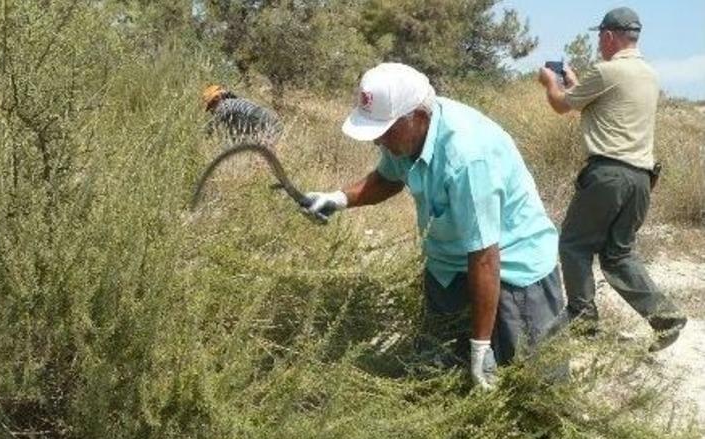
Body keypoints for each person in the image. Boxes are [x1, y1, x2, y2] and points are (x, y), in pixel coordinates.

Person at [306, 63, 564, 389]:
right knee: (435, 378)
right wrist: (338, 199)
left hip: (513, 272)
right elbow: (388, 178)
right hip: (447, 267)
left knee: (534, 386)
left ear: (418, 116)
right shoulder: (405, 138)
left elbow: (485, 256)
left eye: (384, 131)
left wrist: (480, 347)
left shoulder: (469, 157)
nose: (378, 141)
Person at [537, 7, 686, 352]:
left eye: (599, 39)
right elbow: (601, 105)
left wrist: (550, 83)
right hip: (641, 179)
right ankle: (664, 316)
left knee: (574, 245)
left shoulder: (607, 71)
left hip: (608, 175)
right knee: (619, 255)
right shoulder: (649, 74)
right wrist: (575, 83)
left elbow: (561, 106)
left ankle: (582, 318)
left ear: (608, 36)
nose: (599, 45)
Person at [201, 84, 283, 147]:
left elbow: (213, 123)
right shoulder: (236, 103)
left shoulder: (225, 105)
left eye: (211, 106)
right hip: (272, 122)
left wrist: (201, 136)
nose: (212, 111)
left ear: (217, 99)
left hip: (266, 124)